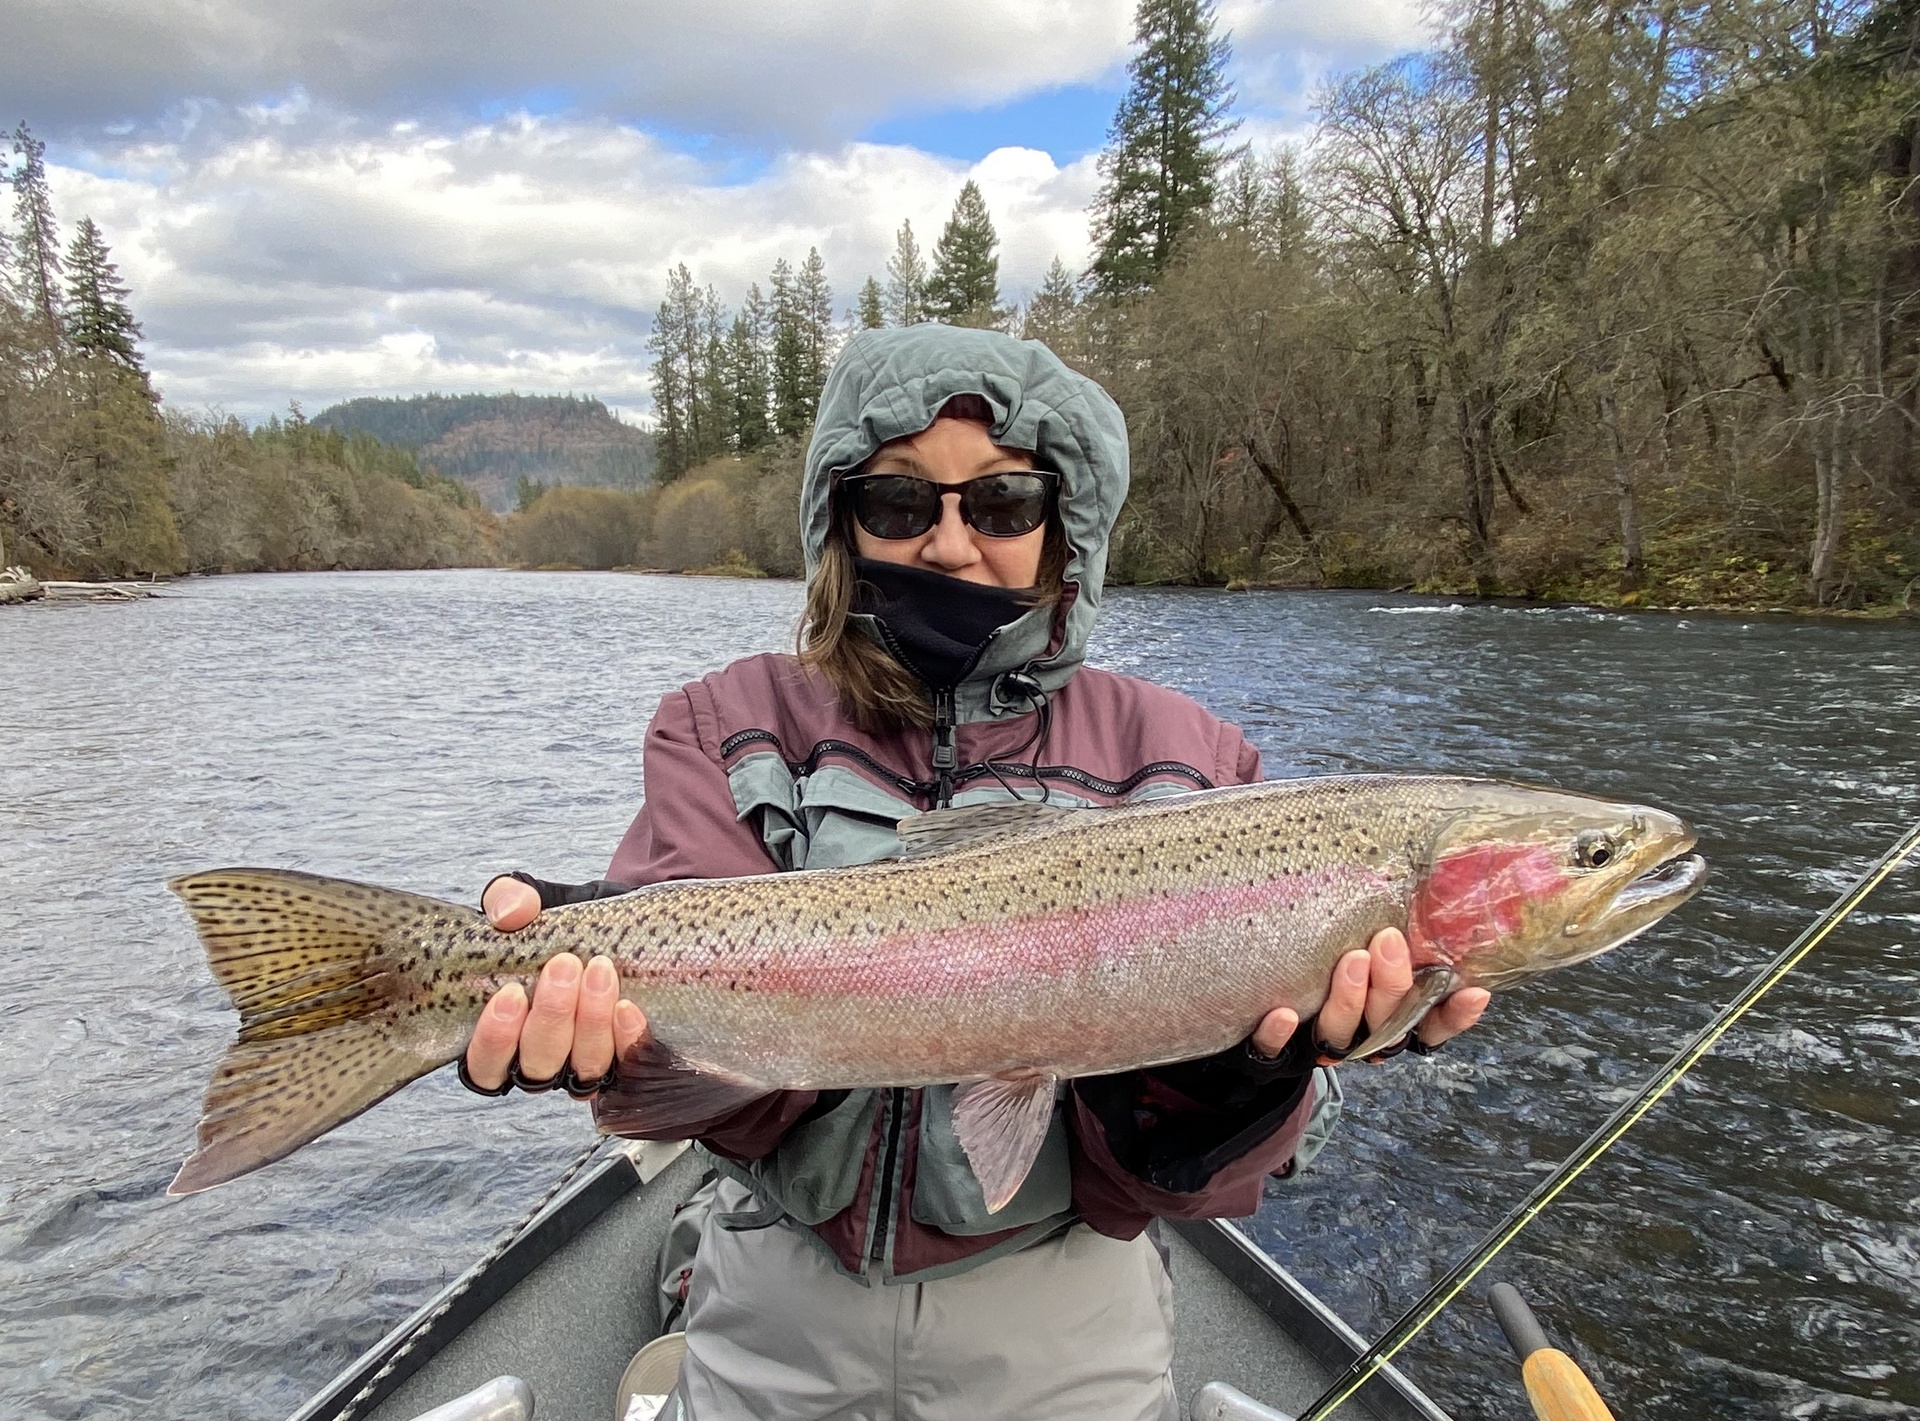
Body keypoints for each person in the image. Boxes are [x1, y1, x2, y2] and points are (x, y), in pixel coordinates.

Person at [460, 325, 1489, 1421]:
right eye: (899, 504)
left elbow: (1181, 1180)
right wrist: (602, 1032)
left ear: (1066, 528)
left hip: (1071, 1311)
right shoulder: (726, 720)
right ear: (841, 524)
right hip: (777, 1291)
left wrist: (1242, 1080)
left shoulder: (1192, 760)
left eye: (1003, 505)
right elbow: (722, 1088)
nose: (951, 544)